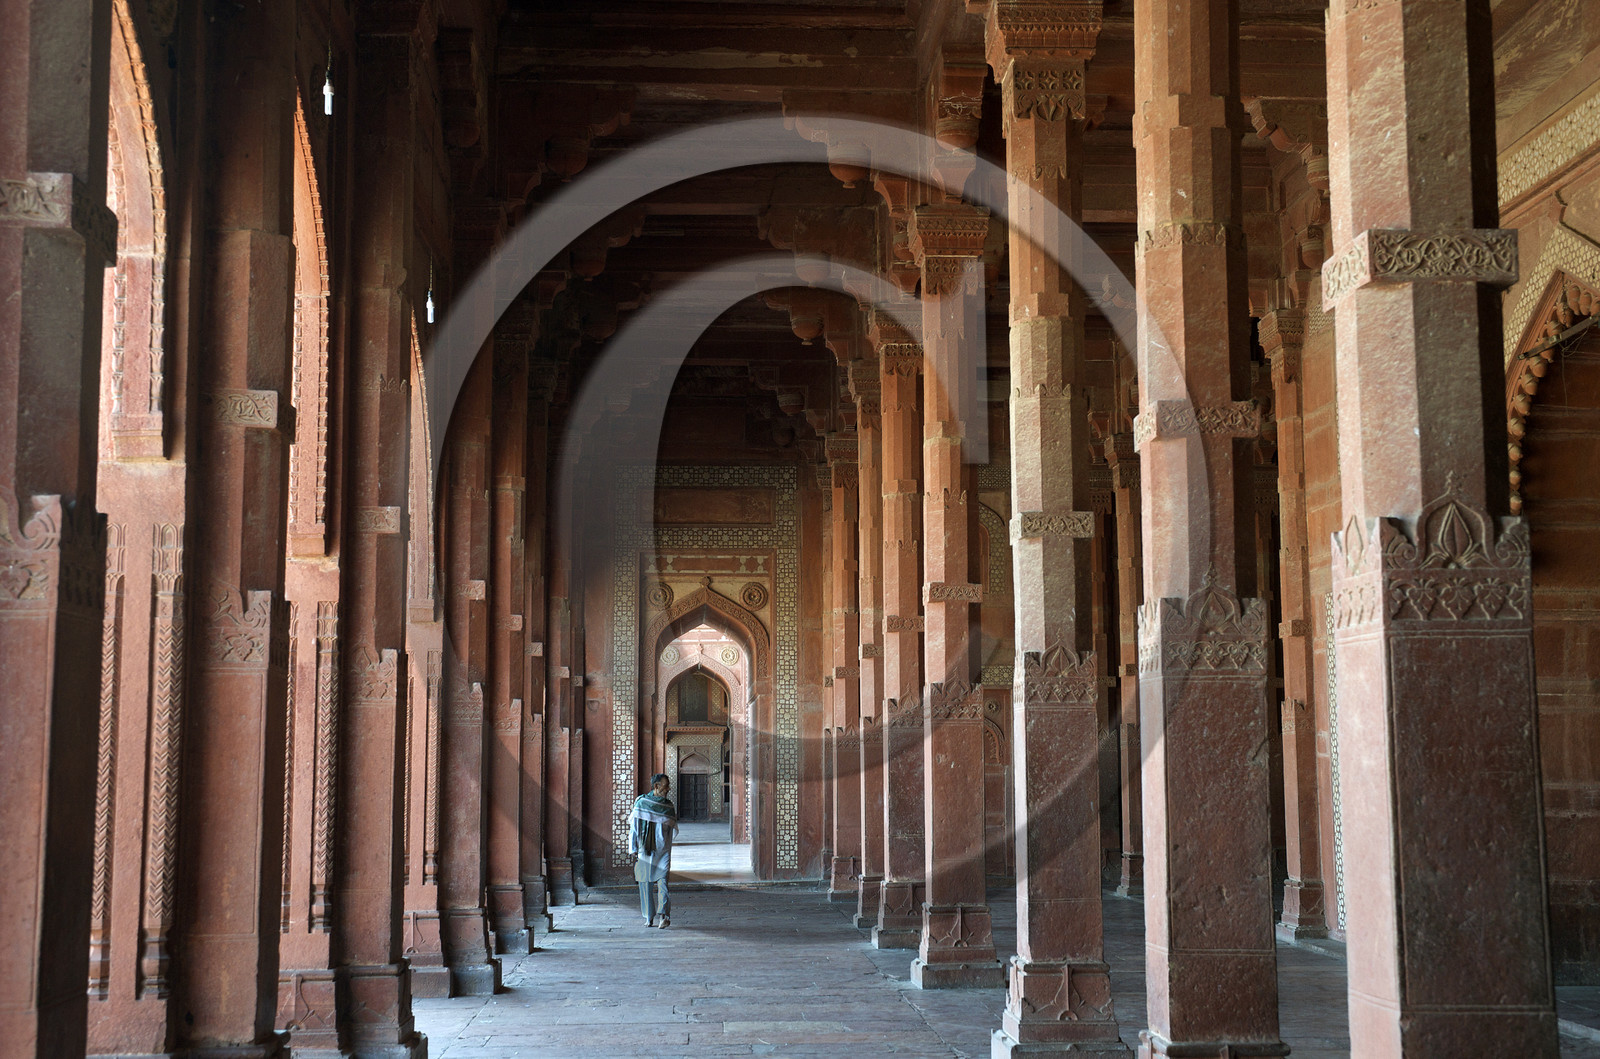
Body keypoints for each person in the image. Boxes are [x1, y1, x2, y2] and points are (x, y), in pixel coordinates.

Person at [629, 773, 678, 927]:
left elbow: (672, 830)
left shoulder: (668, 806)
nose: (668, 789)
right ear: (656, 786)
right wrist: (634, 848)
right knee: (645, 883)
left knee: (663, 881)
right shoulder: (641, 802)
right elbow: (634, 828)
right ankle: (648, 917)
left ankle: (664, 916)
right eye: (665, 786)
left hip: (663, 850)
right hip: (645, 849)